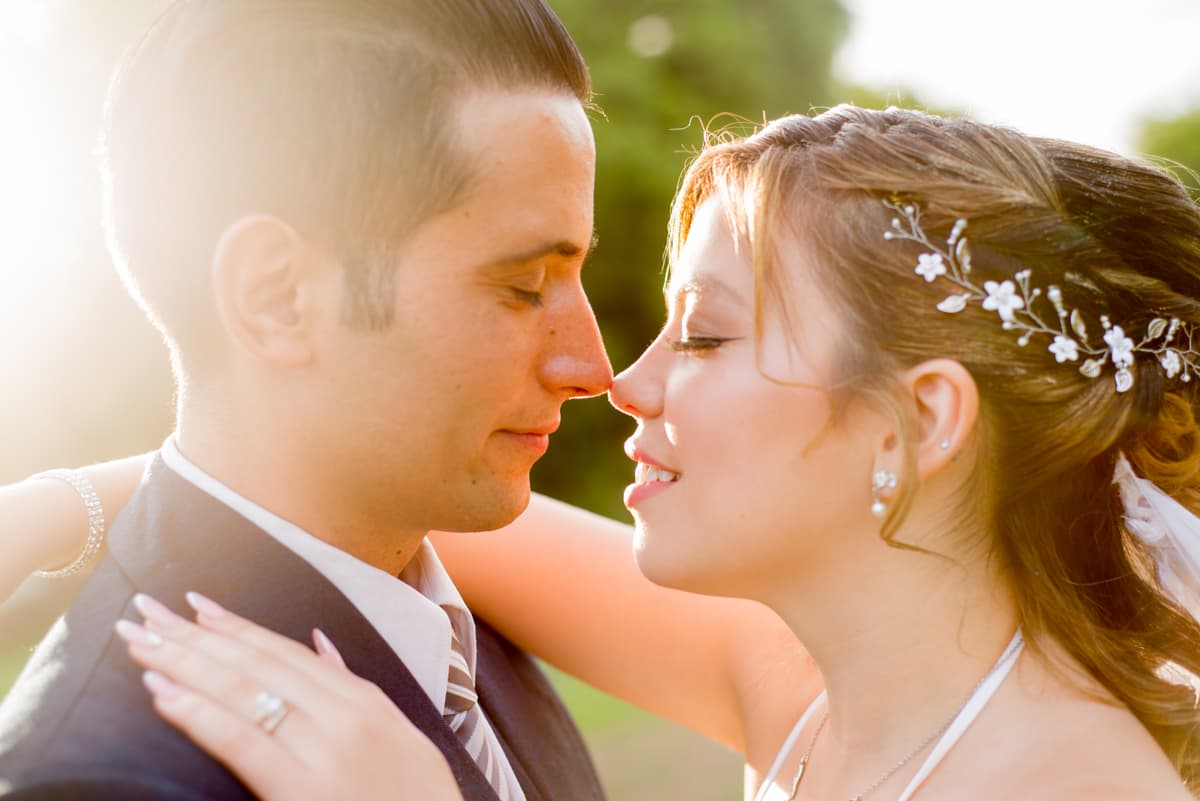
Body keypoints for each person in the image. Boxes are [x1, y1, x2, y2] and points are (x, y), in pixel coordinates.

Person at [7, 105, 1200, 800]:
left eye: (711, 335)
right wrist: (60, 508)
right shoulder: (818, 691)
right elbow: (371, 483)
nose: (624, 381)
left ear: (920, 421)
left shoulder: (1074, 784)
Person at [0, 1, 620, 799]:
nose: (593, 366)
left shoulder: (451, 591)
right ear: (278, 298)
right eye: (523, 286)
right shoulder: (99, 778)